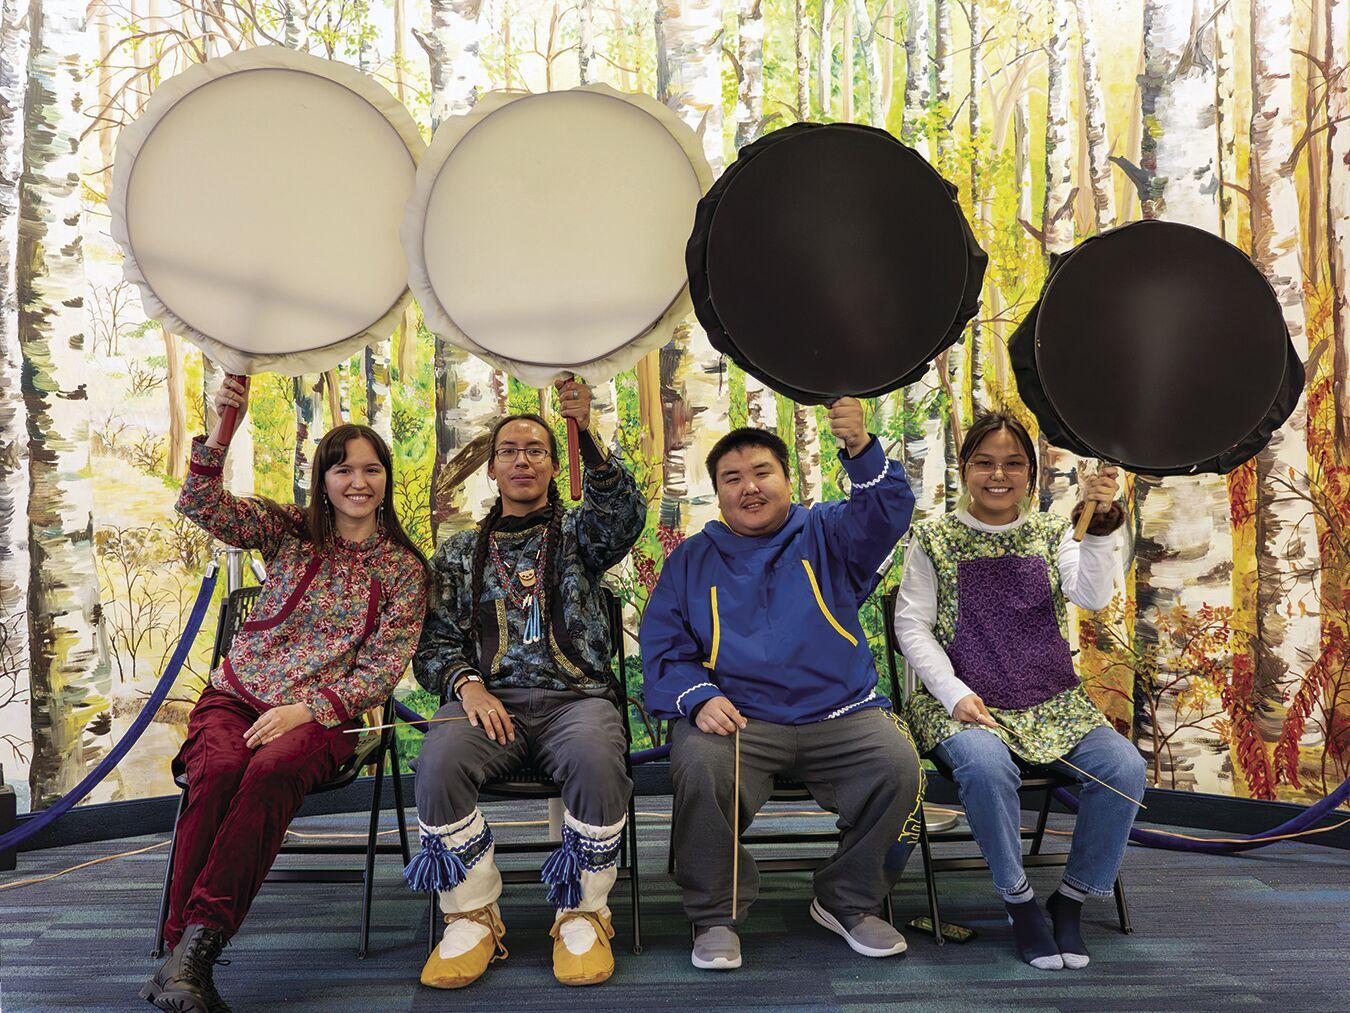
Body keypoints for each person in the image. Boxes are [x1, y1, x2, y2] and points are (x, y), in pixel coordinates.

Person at [143, 377, 428, 1013]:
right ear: (322, 479)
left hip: (322, 717)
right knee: (216, 772)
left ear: (386, 479)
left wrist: (309, 708)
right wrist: (224, 426)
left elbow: (381, 669)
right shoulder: (288, 531)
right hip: (238, 697)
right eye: (342, 469)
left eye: (372, 469)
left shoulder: (406, 570)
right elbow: (200, 503)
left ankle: (193, 953)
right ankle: (177, 958)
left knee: (270, 772)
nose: (358, 481)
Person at [642, 398, 924, 971]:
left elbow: (886, 514)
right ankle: (716, 913)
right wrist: (698, 696)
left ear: (787, 479)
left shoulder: (828, 531)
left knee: (898, 765)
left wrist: (860, 449)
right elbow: (665, 647)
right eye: (732, 478)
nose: (749, 487)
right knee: (699, 765)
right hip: (741, 718)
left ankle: (848, 899)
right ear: (717, 493)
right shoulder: (691, 559)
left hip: (840, 711)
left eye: (762, 472)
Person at [408, 378, 646, 989]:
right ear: (492, 469)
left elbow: (623, 513)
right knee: (438, 760)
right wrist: (468, 686)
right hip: (490, 706)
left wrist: (585, 432)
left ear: (552, 466)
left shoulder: (581, 539)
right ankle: (473, 914)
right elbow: (433, 644)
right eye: (510, 450)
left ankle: (583, 911)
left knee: (597, 759)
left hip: (578, 703)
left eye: (536, 450)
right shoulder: (459, 554)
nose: (522, 459)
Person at [894, 410, 1146, 971]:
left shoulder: (1056, 531)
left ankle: (1071, 899)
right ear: (964, 469)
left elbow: (1092, 596)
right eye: (984, 462)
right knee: (986, 769)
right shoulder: (933, 537)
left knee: (1124, 769)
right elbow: (912, 625)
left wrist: (1101, 522)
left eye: (1013, 463)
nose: (998, 475)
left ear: (1031, 474)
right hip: (964, 705)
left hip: (1050, 700)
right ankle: (1020, 901)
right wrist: (953, 691)